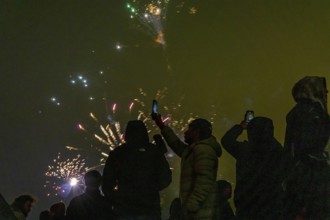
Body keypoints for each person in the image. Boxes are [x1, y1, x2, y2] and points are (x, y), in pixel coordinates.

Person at [153, 115, 222, 220]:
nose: (185, 132)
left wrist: (192, 206)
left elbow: (204, 182)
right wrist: (162, 126)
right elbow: (176, 145)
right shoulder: (195, 150)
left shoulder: (203, 150)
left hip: (199, 213)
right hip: (197, 211)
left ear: (197, 132)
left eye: (189, 129)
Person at [102, 120, 172, 220]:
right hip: (150, 208)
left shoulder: (118, 153)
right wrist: (150, 190)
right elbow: (166, 178)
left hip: (125, 209)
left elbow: (107, 183)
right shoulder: (154, 152)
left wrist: (118, 199)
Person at [283, 76, 330, 219]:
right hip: (313, 188)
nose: (326, 92)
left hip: (305, 190)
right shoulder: (312, 114)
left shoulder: (300, 113)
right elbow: (308, 152)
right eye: (323, 89)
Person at [221, 117, 283, 219]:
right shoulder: (277, 151)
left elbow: (226, 140)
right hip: (271, 207)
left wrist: (240, 127)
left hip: (246, 207)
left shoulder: (244, 150)